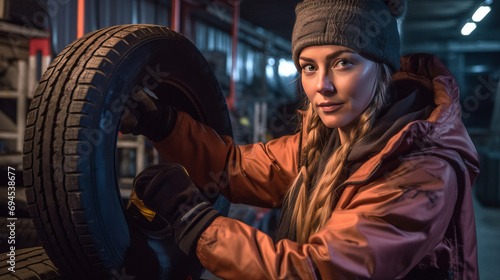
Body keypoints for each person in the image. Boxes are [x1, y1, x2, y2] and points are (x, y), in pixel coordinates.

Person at [121, 0, 480, 278]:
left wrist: (195, 222)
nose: (321, 85)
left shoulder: (423, 169)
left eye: (342, 63)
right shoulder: (325, 143)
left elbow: (316, 270)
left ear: (381, 67)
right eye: (309, 66)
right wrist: (163, 124)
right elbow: (234, 167)